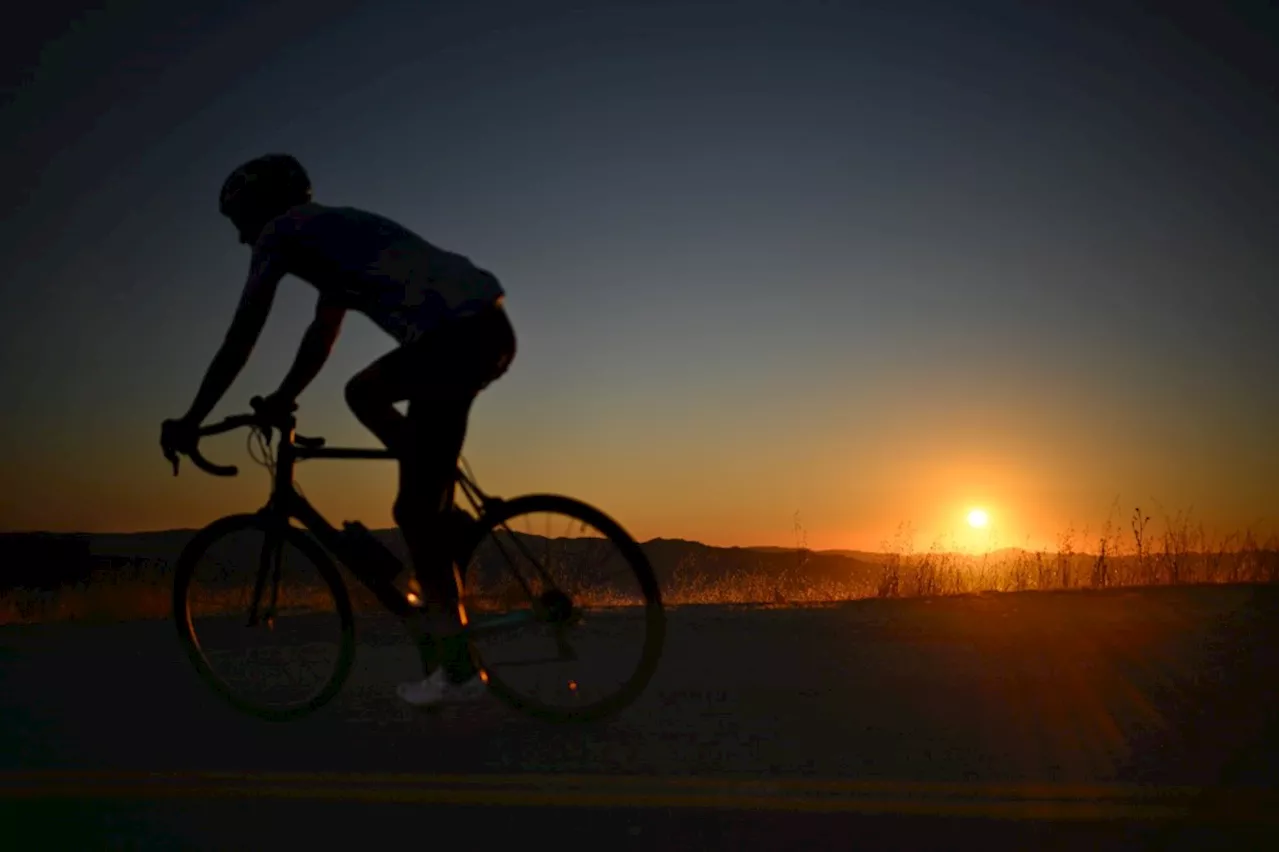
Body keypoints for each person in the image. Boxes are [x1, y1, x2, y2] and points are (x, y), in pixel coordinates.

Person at [159, 153, 515, 707]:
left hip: (455, 337)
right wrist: (282, 396)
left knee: (391, 454)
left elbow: (242, 333)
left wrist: (192, 419)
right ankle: (440, 519)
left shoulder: (283, 232)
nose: (240, 239)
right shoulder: (333, 232)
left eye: (239, 224)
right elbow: (321, 335)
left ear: (261, 208)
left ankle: (460, 672)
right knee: (406, 477)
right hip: (477, 330)